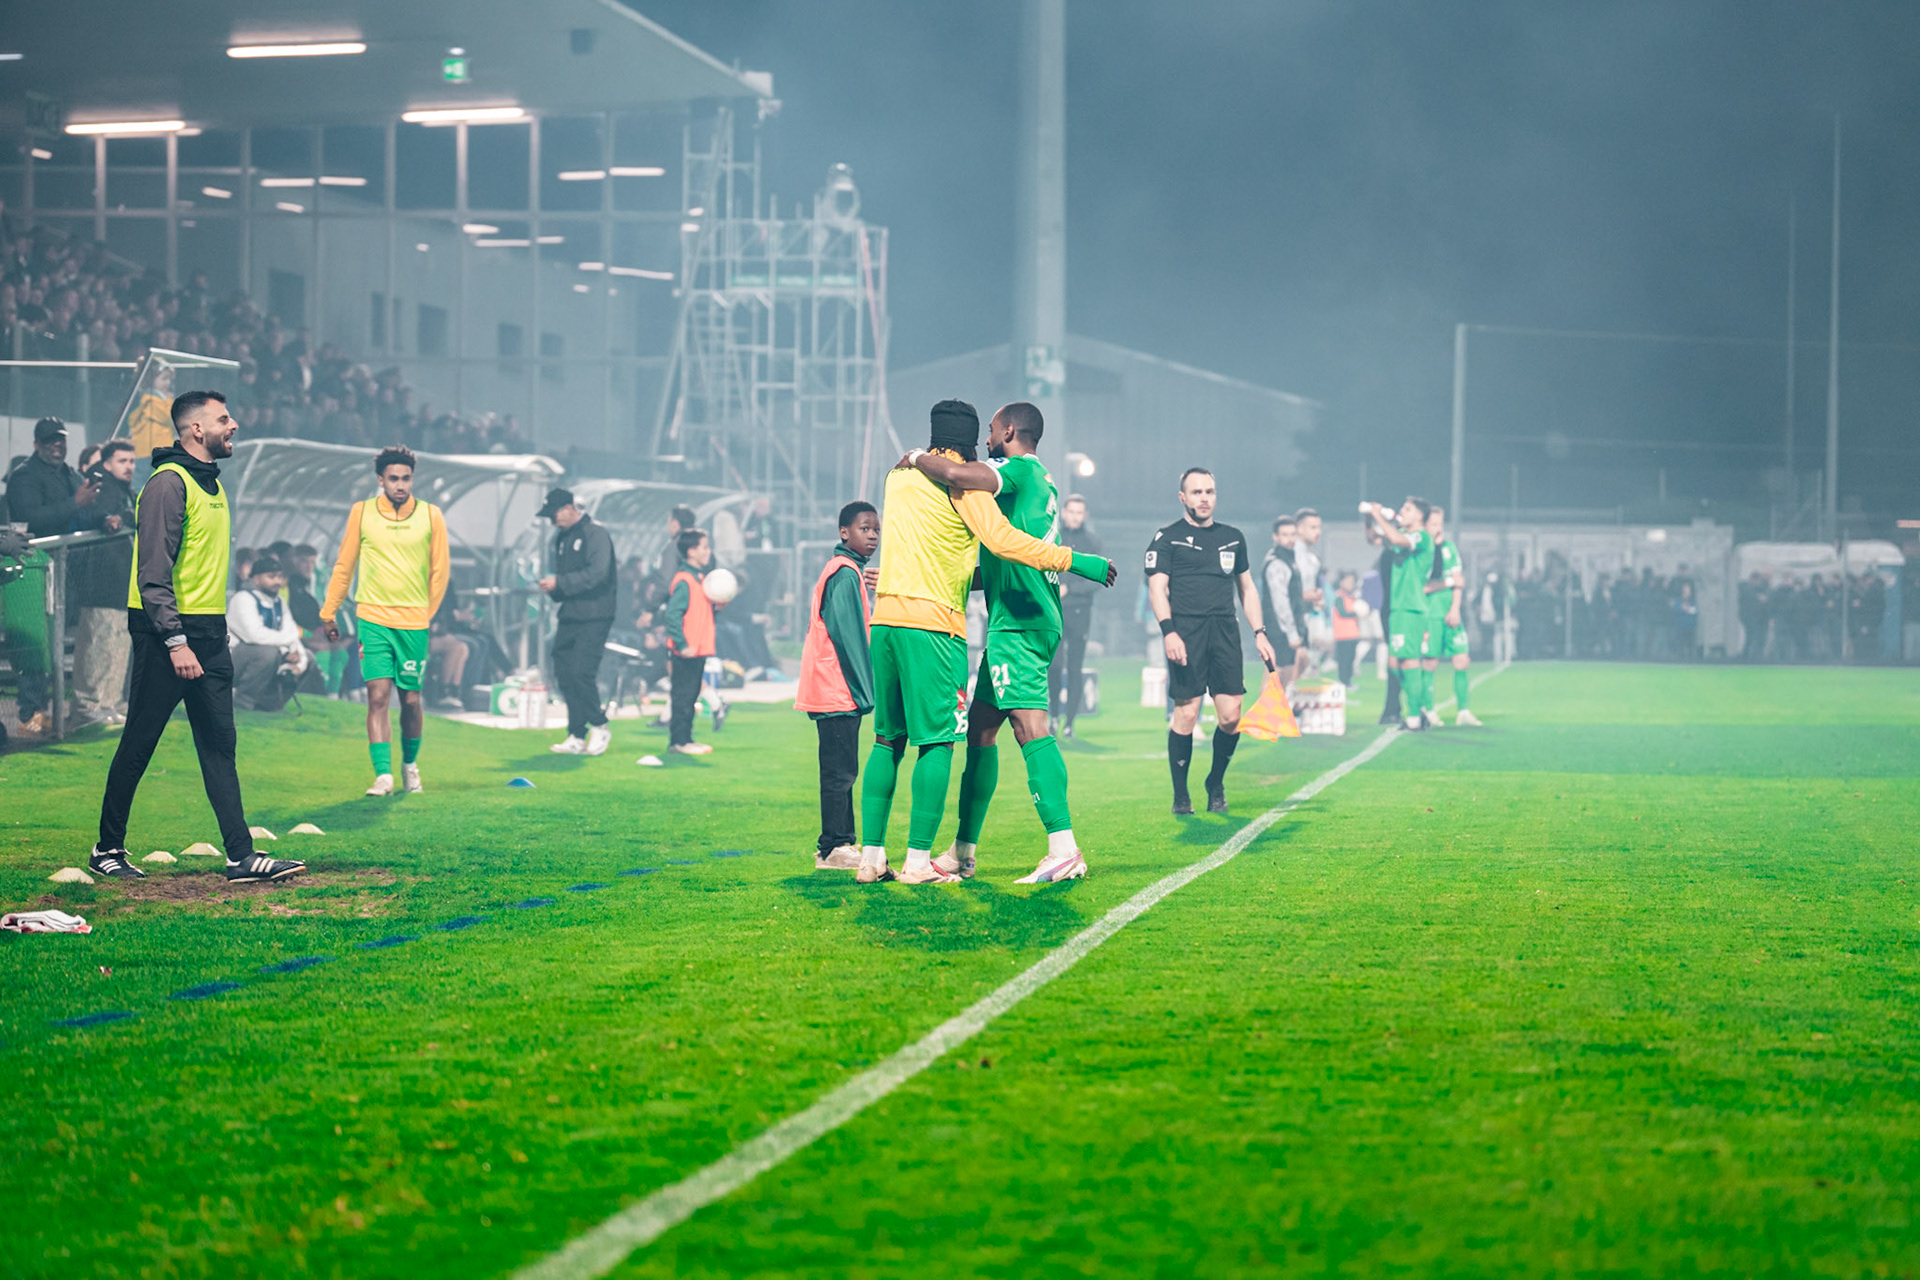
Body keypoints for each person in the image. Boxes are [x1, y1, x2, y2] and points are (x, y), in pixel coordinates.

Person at [857, 399, 1114, 886]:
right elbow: (995, 551)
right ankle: (957, 852)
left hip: (994, 617)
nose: (989, 445)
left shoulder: (914, 479)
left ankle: (1062, 847)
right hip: (976, 618)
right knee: (974, 732)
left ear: (1008, 432)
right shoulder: (991, 482)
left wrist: (914, 456)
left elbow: (994, 541)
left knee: (1022, 726)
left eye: (996, 433)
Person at [91, 390, 304, 883]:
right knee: (139, 743)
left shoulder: (211, 483)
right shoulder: (169, 484)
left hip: (209, 634)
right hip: (169, 636)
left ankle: (241, 857)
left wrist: (208, 637)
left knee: (218, 746)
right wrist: (175, 641)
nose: (234, 426)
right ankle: (107, 850)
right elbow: (152, 575)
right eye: (224, 419)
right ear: (195, 430)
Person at [320, 445, 450, 796]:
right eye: (393, 478)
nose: (400, 485)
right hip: (373, 619)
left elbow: (440, 572)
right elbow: (344, 565)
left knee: (410, 700)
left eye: (406, 478)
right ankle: (383, 775)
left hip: (413, 624)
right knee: (377, 696)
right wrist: (328, 612)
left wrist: (426, 614)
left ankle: (409, 764)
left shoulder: (430, 515)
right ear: (380, 480)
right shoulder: (361, 513)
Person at [1147, 468, 1277, 816]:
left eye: (1210, 492)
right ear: (1183, 498)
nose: (1204, 498)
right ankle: (1181, 795)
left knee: (1232, 716)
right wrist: (1168, 631)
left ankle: (1215, 781)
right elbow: (1157, 588)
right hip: (1186, 634)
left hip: (1225, 633)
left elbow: (1247, 588)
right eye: (1197, 492)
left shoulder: (1233, 537)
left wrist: (1260, 633)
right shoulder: (1167, 537)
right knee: (1187, 714)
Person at [796, 501, 880, 871]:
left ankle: (839, 842)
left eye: (876, 529)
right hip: (838, 689)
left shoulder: (847, 572)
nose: (873, 535)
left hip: (832, 688)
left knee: (840, 768)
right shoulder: (845, 574)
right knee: (840, 771)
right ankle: (834, 846)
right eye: (865, 528)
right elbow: (849, 640)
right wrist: (866, 694)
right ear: (844, 532)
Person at [536, 487, 618, 756]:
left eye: (554, 514)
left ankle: (599, 725)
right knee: (563, 672)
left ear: (570, 508)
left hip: (595, 615)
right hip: (570, 614)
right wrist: (555, 588)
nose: (552, 521)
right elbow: (566, 582)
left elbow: (598, 574)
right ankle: (576, 733)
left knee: (582, 671)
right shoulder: (560, 538)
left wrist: (561, 583)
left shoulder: (596, 534)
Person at [71, 438, 137, 723]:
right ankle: (88, 708)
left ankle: (108, 704)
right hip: (101, 584)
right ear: (107, 462)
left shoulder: (126, 490)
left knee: (117, 648)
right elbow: (97, 513)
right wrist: (114, 518)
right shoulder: (100, 482)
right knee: (98, 647)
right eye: (123, 461)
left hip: (122, 584)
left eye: (132, 461)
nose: (129, 466)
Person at [1360, 496, 1435, 731]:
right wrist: (1369, 516)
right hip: (1397, 607)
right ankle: (1419, 705)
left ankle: (1414, 716)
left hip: (1412, 607)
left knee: (1409, 660)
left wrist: (1379, 515)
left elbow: (1394, 537)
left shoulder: (1421, 537)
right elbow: (1376, 538)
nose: (1403, 510)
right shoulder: (1404, 535)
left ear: (1420, 516)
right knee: (1394, 663)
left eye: (1408, 509)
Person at [227, 554, 313, 712]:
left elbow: (292, 632)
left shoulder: (278, 601)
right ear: (256, 578)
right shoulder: (243, 598)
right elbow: (254, 635)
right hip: (233, 659)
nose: (278, 582)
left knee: (308, 655)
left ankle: (269, 704)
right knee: (267, 653)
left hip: (269, 653)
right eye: (271, 577)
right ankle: (242, 700)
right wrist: (285, 649)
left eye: (280, 577)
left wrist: (297, 661)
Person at [660, 527, 718, 756]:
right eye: (704, 546)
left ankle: (686, 739)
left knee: (690, 695)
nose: (708, 551)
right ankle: (679, 741)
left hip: (697, 650)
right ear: (691, 551)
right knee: (682, 696)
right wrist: (682, 645)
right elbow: (672, 615)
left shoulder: (700, 579)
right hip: (686, 651)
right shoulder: (684, 580)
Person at [1048, 492, 1101, 737]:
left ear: (1085, 515)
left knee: (1076, 667)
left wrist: (1070, 589)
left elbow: (1098, 578)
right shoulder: (1054, 538)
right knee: (1055, 666)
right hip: (1055, 613)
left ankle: (1070, 722)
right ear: (1064, 512)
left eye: (1080, 512)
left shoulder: (1093, 542)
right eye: (1072, 511)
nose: (1075, 516)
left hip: (1080, 614)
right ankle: (1052, 716)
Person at [1422, 505, 1479, 725]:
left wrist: (1455, 608)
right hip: (1430, 615)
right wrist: (1447, 582)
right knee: (1430, 663)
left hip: (1450, 614)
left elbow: (1459, 582)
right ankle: (1429, 710)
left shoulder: (1449, 549)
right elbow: (1424, 586)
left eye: (1440, 523)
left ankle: (1463, 712)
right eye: (1433, 524)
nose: (1438, 528)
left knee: (1462, 659)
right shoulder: (1423, 553)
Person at [5, 417, 99, 538]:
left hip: (74, 551)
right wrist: (74, 503)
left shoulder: (71, 474)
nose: (57, 443)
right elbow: (29, 519)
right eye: (50, 440)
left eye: (61, 439)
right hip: (40, 553)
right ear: (37, 445)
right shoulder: (24, 476)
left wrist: (105, 519)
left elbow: (89, 510)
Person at [1260, 514, 1311, 694]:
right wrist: (1291, 634)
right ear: (1276, 537)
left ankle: (1278, 713)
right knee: (1276, 674)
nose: (1290, 539)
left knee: (1289, 672)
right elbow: (1280, 602)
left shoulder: (1290, 559)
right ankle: (1263, 718)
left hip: (1288, 628)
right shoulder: (1276, 563)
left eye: (1292, 535)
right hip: (1278, 630)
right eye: (1285, 535)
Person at [1332, 571, 1363, 686]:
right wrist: (1356, 613)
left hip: (1353, 634)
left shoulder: (1353, 597)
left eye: (1352, 582)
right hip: (1342, 635)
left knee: (1350, 659)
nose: (1351, 584)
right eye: (1348, 581)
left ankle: (1348, 681)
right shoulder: (1340, 597)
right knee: (1343, 660)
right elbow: (1342, 612)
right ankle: (1343, 681)